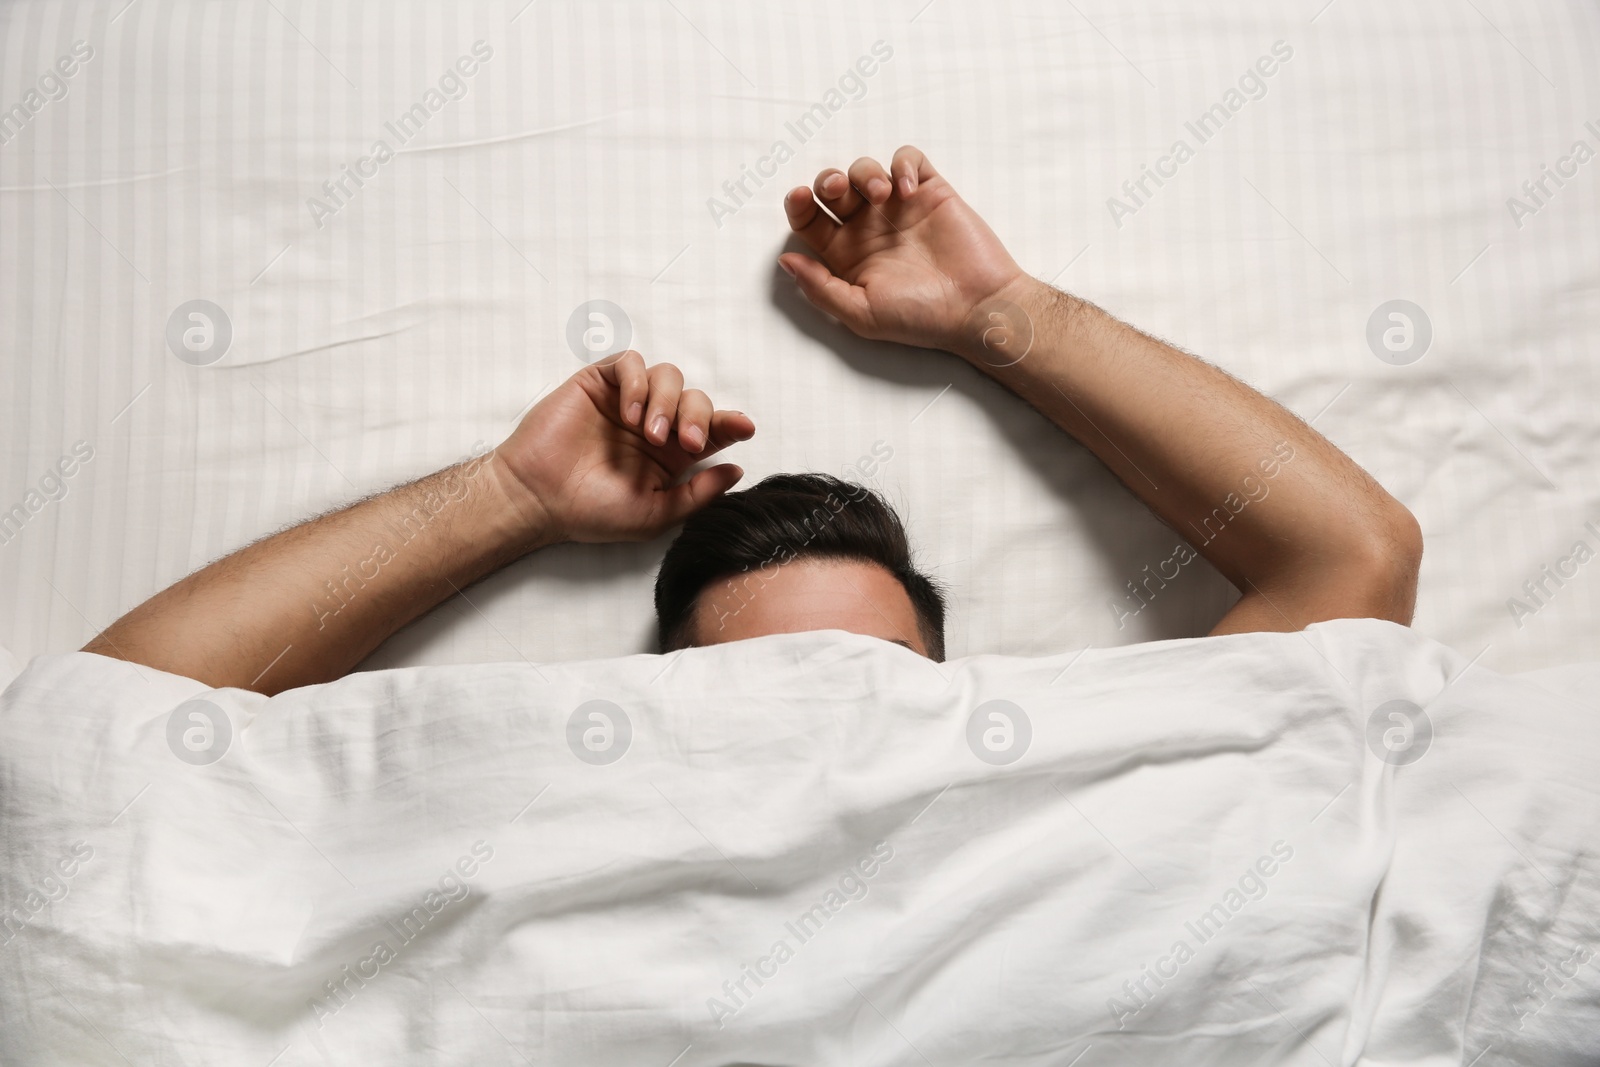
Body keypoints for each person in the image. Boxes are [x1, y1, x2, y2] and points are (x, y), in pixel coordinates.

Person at [83, 147, 1421, 693]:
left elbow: (1350, 559)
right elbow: (121, 724)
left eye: (868, 685)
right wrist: (509, 499)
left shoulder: (1055, 795)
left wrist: (1002, 316)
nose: (824, 728)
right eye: (762, 695)